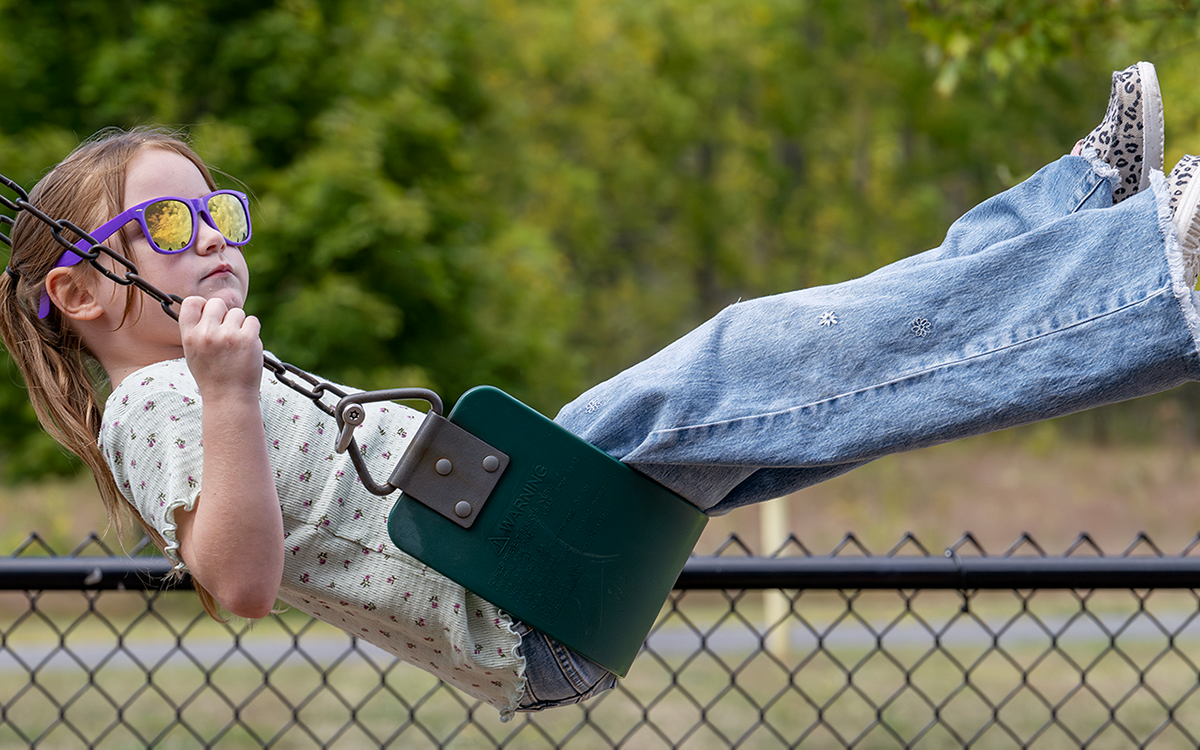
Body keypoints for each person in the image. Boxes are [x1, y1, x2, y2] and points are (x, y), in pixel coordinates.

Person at [0, 61, 1198, 719]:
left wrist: (231, 387)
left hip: (531, 575)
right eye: (166, 220)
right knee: (757, 359)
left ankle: (1075, 221)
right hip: (515, 581)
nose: (209, 232)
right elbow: (237, 581)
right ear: (84, 295)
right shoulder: (152, 407)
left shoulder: (192, 386)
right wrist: (222, 391)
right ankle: (1149, 267)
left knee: (824, 383)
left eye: (218, 211)